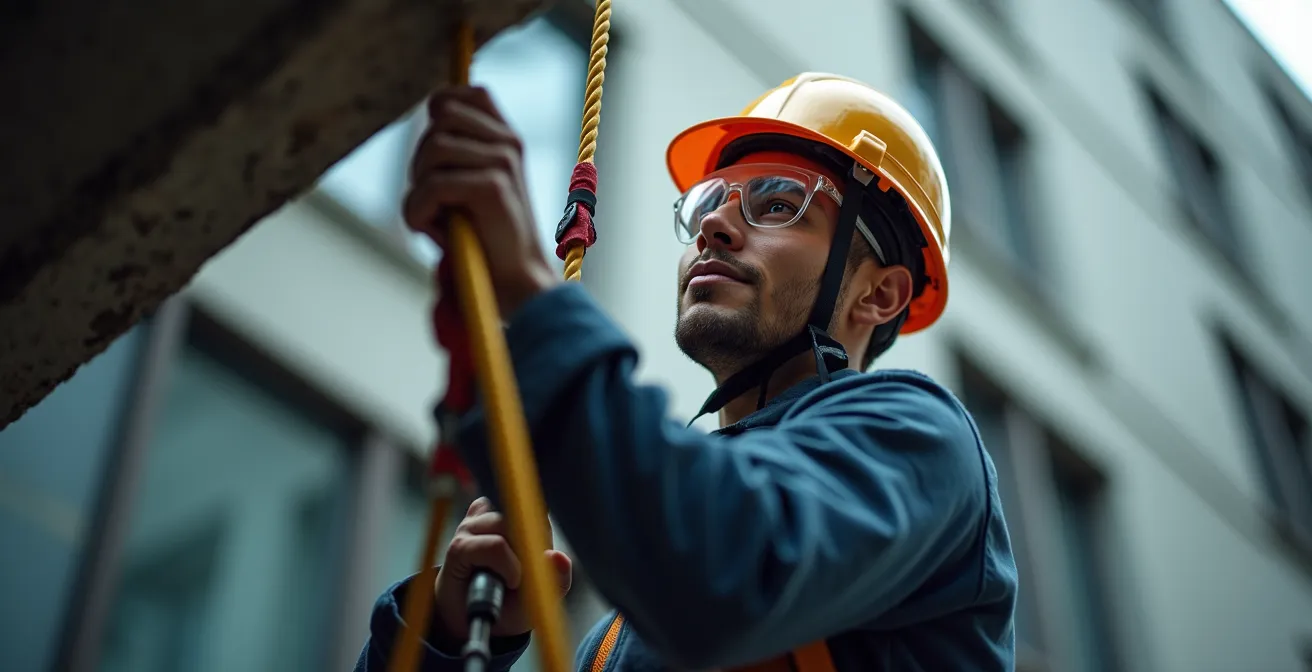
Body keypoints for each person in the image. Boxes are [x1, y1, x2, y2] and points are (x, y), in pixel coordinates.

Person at [356, 72, 1018, 671]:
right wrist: (448, 637)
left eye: (779, 204)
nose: (716, 227)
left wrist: (532, 297)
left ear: (880, 294)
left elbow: (729, 572)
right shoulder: (616, 640)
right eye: (709, 205)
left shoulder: (921, 437)